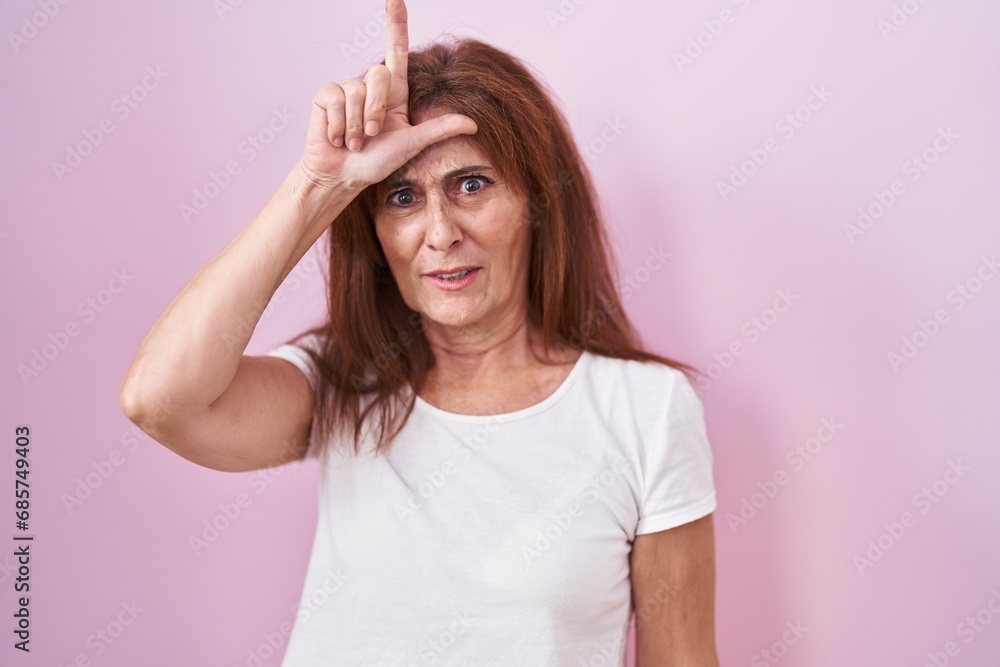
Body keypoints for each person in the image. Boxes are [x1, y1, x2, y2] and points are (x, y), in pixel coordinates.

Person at [119, 0, 720, 664]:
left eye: (471, 184)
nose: (440, 234)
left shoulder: (647, 409)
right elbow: (159, 399)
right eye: (402, 197)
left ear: (538, 205)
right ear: (374, 230)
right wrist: (318, 184)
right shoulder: (339, 382)